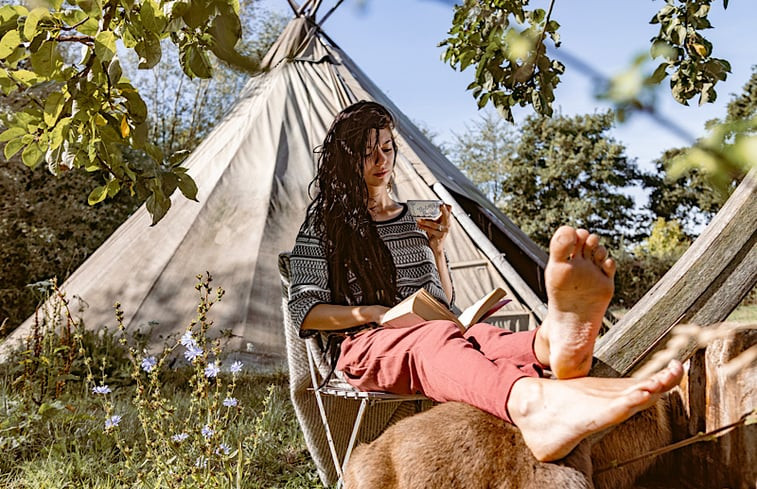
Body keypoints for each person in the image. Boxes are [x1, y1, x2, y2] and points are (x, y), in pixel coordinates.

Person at [288, 100, 682, 462]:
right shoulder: (325, 226)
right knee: (435, 340)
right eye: (367, 151)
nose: (380, 160)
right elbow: (305, 312)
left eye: (387, 149)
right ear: (346, 157)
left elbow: (438, 300)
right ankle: (528, 404)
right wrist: (374, 313)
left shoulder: (411, 219)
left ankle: (549, 344)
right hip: (363, 345)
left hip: (430, 328)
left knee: (483, 338)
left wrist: (438, 251)